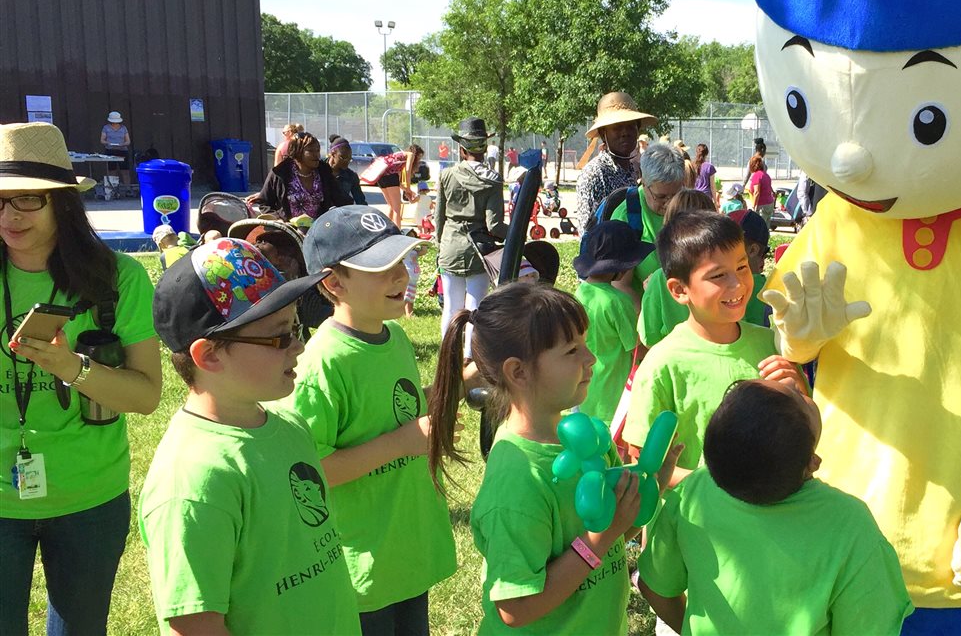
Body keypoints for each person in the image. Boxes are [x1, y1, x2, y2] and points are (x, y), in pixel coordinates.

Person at [423, 282, 680, 634]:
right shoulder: (517, 482)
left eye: (586, 345)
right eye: (572, 350)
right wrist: (599, 542)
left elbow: (613, 531)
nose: (591, 359)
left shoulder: (588, 437)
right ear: (519, 372)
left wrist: (651, 486)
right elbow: (515, 607)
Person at [139, 238, 360, 635]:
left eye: (295, 327)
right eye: (278, 337)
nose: (298, 346)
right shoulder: (193, 480)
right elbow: (194, 624)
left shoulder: (288, 426)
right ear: (208, 355)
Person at [0, 122, 162, 636]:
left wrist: (73, 368)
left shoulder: (118, 279)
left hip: (89, 499)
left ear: (64, 203)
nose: (8, 216)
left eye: (26, 201)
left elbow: (147, 395)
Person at [271, 206, 457, 633]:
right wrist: (406, 441)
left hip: (404, 550)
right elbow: (309, 470)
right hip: (362, 564)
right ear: (334, 283)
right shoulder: (321, 364)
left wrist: (450, 389)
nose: (401, 276)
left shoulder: (396, 337)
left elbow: (397, 411)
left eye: (402, 261)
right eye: (382, 268)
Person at [638, 378, 913, 635]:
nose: (792, 381)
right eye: (797, 397)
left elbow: (655, 588)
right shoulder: (851, 525)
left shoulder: (695, 492)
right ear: (811, 463)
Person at [623, 211, 806, 484]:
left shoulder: (772, 344)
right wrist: (713, 489)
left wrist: (799, 390)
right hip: (694, 522)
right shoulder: (663, 363)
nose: (737, 284)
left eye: (742, 267)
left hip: (764, 518)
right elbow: (642, 460)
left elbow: (802, 428)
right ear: (679, 290)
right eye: (718, 275)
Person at [573, 221, 653, 425]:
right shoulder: (617, 302)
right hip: (615, 401)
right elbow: (638, 349)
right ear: (622, 266)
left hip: (588, 395)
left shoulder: (579, 293)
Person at [435, 117, 507, 337]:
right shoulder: (493, 180)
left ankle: (447, 357)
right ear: (485, 148)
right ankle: (469, 359)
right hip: (478, 250)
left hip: (450, 247)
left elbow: (439, 219)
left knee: (451, 306)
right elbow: (494, 225)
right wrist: (515, 234)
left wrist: (441, 246)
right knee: (476, 308)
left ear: (461, 148)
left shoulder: (446, 175)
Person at [598, 142, 686, 303]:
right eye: (661, 197)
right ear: (644, 183)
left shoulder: (690, 204)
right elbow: (621, 284)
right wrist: (646, 321)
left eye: (676, 194)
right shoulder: (627, 216)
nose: (669, 203)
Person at [637, 190, 718, 349]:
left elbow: (647, 336)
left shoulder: (660, 278)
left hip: (676, 361)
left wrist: (652, 290)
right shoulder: (724, 273)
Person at [575, 92, 658, 232]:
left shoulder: (632, 170)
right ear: (603, 134)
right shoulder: (594, 174)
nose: (625, 133)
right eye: (617, 127)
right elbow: (588, 234)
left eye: (631, 126)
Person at [252, 132, 352, 220]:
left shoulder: (324, 172)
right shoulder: (280, 173)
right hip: (288, 232)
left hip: (317, 230)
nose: (316, 155)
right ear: (298, 152)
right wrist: (278, 219)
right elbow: (264, 202)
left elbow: (341, 200)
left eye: (317, 150)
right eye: (311, 151)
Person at [328, 139, 368, 206]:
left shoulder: (351, 177)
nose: (347, 161)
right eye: (344, 157)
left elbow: (361, 202)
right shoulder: (319, 170)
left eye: (350, 158)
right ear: (333, 154)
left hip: (342, 213)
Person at [745, 138, 775, 224]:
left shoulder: (757, 175)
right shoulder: (766, 175)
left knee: (759, 225)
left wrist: (754, 207)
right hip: (769, 203)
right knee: (766, 226)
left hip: (762, 204)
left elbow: (757, 192)